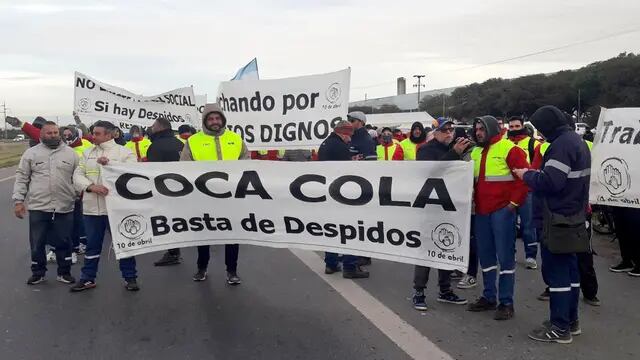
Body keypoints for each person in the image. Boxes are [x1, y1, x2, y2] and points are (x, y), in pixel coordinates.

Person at [512, 105, 591, 343]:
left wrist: (526, 174)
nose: (539, 133)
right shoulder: (575, 141)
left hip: (556, 218)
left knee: (557, 275)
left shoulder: (560, 146)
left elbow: (551, 181)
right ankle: (570, 320)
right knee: (571, 272)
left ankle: (559, 328)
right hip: (574, 216)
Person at [466, 115, 529, 320]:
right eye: (476, 129)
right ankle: (489, 296)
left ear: (492, 129)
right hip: (481, 212)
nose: (478, 132)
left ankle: (506, 302)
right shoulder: (475, 151)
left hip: (503, 211)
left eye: (482, 129)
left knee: (505, 258)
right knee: (486, 257)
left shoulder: (510, 149)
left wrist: (513, 205)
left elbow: (524, 179)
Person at [180, 104, 249, 284]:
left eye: (217, 118)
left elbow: (247, 163)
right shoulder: (193, 141)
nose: (215, 122)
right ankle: (202, 268)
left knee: (232, 235)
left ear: (223, 119)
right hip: (203, 197)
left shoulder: (236, 139)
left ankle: (232, 271)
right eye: (210, 119)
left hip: (231, 197)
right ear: (205, 121)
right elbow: (184, 167)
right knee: (204, 234)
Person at [70, 121, 139, 292]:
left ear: (109, 135)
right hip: (92, 208)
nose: (93, 136)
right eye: (93, 133)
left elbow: (133, 176)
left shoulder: (124, 152)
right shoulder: (87, 153)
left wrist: (110, 165)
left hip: (116, 209)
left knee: (123, 244)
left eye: (98, 133)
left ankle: (130, 278)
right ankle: (87, 278)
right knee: (92, 246)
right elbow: (77, 176)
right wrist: (91, 187)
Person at [411, 118, 471, 310]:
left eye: (451, 130)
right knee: (427, 250)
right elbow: (430, 171)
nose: (449, 134)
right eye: (445, 131)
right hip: (430, 207)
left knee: (447, 248)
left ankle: (445, 290)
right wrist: (454, 153)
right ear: (435, 132)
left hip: (450, 206)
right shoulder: (425, 150)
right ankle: (419, 292)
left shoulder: (454, 148)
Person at [12, 121, 78, 285]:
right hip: (39, 207)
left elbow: (78, 178)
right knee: (37, 242)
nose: (53, 135)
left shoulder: (71, 154)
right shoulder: (31, 154)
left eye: (56, 132)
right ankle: (38, 272)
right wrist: (19, 201)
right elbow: (22, 178)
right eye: (49, 133)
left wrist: (77, 193)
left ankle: (64, 272)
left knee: (64, 241)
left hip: (64, 206)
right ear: (41, 134)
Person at [318, 121, 369, 279]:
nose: (350, 139)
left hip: (328, 192)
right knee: (349, 229)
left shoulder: (326, 144)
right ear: (343, 132)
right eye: (349, 135)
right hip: (342, 193)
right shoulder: (339, 146)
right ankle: (350, 266)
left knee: (332, 229)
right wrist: (354, 162)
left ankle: (331, 263)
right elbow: (345, 171)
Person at [149, 117, 188, 267]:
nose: (151, 128)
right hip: (182, 187)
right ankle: (174, 251)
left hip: (165, 189)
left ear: (159, 128)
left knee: (168, 221)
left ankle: (173, 253)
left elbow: (154, 172)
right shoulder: (179, 143)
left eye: (153, 126)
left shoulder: (156, 146)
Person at [507, 116, 541, 269]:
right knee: (509, 225)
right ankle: (510, 253)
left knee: (528, 225)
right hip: (509, 190)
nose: (514, 129)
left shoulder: (533, 143)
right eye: (511, 127)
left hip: (528, 190)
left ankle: (531, 256)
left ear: (522, 126)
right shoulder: (505, 143)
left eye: (517, 126)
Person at [61, 125, 93, 261]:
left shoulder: (86, 145)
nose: (67, 137)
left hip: (82, 188)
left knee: (79, 218)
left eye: (69, 134)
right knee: (67, 219)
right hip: (65, 189)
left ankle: (81, 245)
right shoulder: (62, 149)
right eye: (65, 135)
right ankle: (73, 247)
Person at [609, 207, 640, 276]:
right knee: (621, 230)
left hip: (634, 203)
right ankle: (627, 261)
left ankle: (638, 262)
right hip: (619, 203)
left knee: (634, 229)